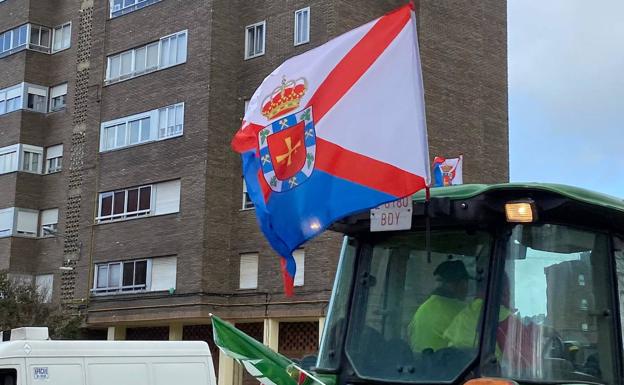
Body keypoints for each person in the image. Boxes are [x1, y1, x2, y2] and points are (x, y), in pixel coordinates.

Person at [408, 260, 471, 353]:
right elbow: (473, 344)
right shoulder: (463, 311)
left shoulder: (423, 308)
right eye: (466, 284)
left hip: (418, 365)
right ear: (462, 283)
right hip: (447, 366)